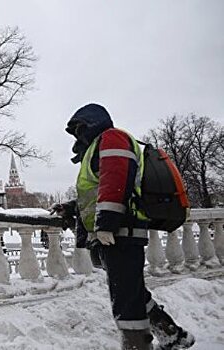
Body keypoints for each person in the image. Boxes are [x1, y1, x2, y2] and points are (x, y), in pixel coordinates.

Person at [51, 103, 195, 350]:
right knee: (132, 291)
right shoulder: (99, 147)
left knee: (126, 302)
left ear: (92, 123)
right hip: (117, 233)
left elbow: (117, 181)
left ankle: (137, 346)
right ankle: (172, 335)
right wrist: (73, 208)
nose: (78, 136)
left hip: (121, 233)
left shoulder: (112, 138)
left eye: (80, 129)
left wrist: (106, 223)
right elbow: (96, 194)